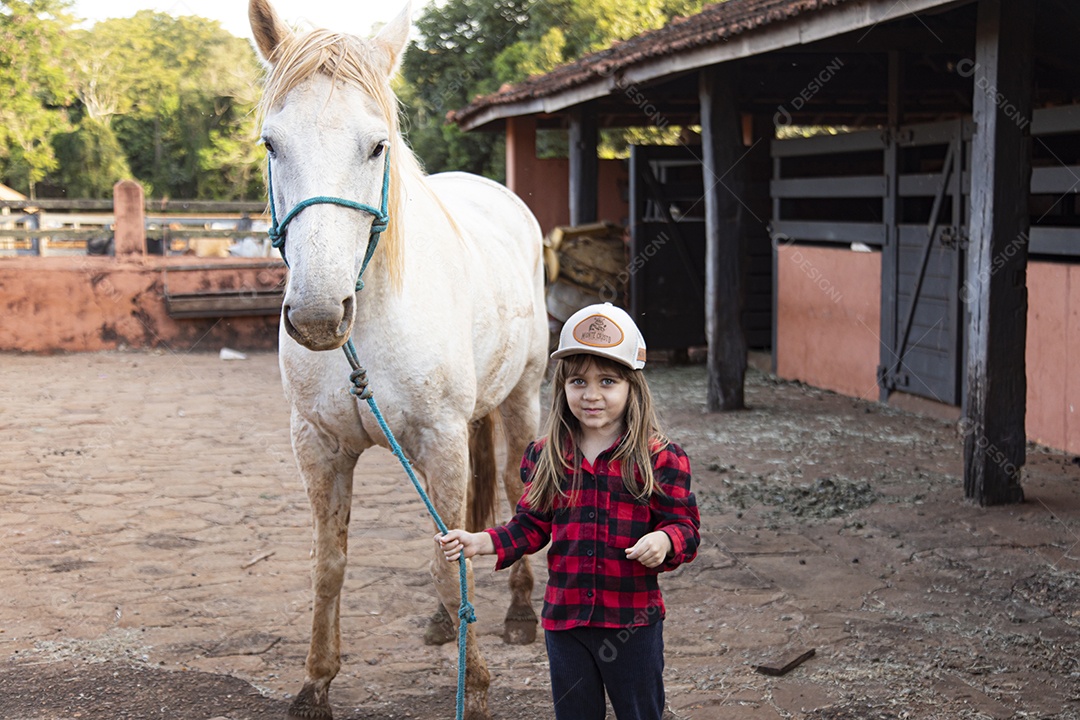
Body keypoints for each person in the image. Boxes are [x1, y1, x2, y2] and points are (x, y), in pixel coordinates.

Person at [438, 302, 700, 720]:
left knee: (641, 711)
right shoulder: (546, 456)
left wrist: (664, 540)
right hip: (566, 624)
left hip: (632, 622)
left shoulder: (660, 458)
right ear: (562, 387)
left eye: (608, 381)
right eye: (578, 381)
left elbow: (685, 527)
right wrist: (480, 541)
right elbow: (530, 526)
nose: (591, 394)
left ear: (633, 387)